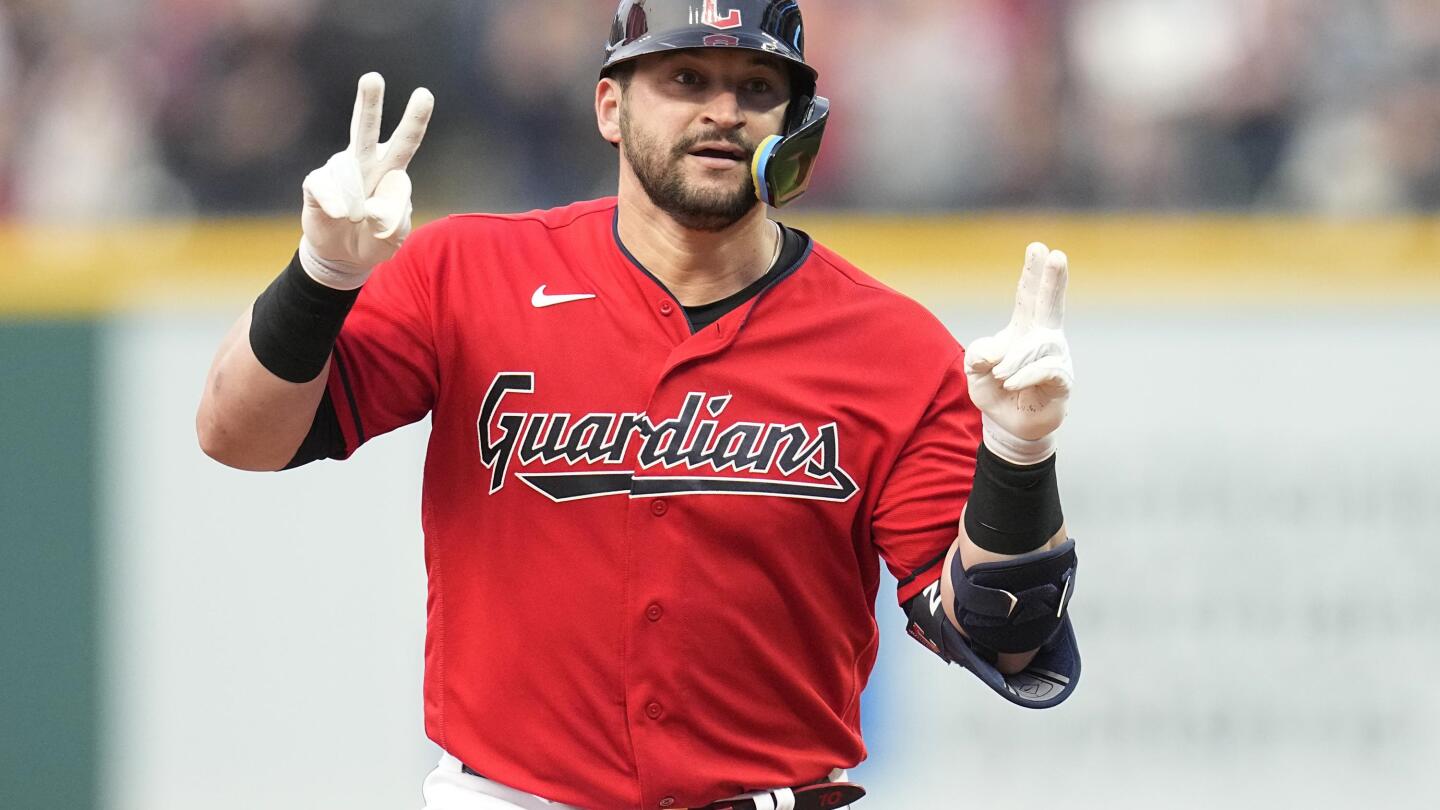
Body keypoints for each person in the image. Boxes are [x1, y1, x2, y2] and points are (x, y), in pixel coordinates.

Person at [195, 1, 1080, 808]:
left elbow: (1000, 638)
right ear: (610, 108)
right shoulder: (470, 274)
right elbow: (239, 435)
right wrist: (321, 277)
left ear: (796, 124)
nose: (723, 111)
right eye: (685, 78)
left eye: (757, 86)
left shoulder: (892, 348)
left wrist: (1020, 458)